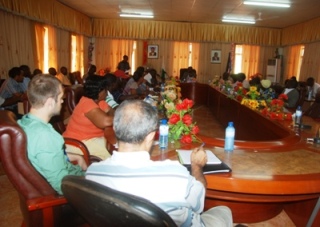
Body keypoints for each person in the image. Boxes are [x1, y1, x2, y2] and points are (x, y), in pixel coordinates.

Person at [85, 100, 233, 227]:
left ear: (115, 128)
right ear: (151, 136)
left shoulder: (92, 173)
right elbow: (198, 204)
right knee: (224, 211)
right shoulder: (175, 174)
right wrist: (197, 167)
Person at [17, 74, 86, 195]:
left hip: (73, 175)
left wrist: (78, 157)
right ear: (50, 102)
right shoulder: (45, 136)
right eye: (60, 98)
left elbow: (43, 156)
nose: (62, 101)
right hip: (74, 187)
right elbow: (61, 184)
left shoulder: (25, 122)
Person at [63, 75, 114, 160]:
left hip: (93, 139)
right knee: (111, 159)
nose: (107, 93)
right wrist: (125, 117)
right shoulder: (87, 103)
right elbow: (105, 122)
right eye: (106, 90)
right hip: (80, 142)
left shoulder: (99, 101)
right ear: (100, 92)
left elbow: (111, 111)